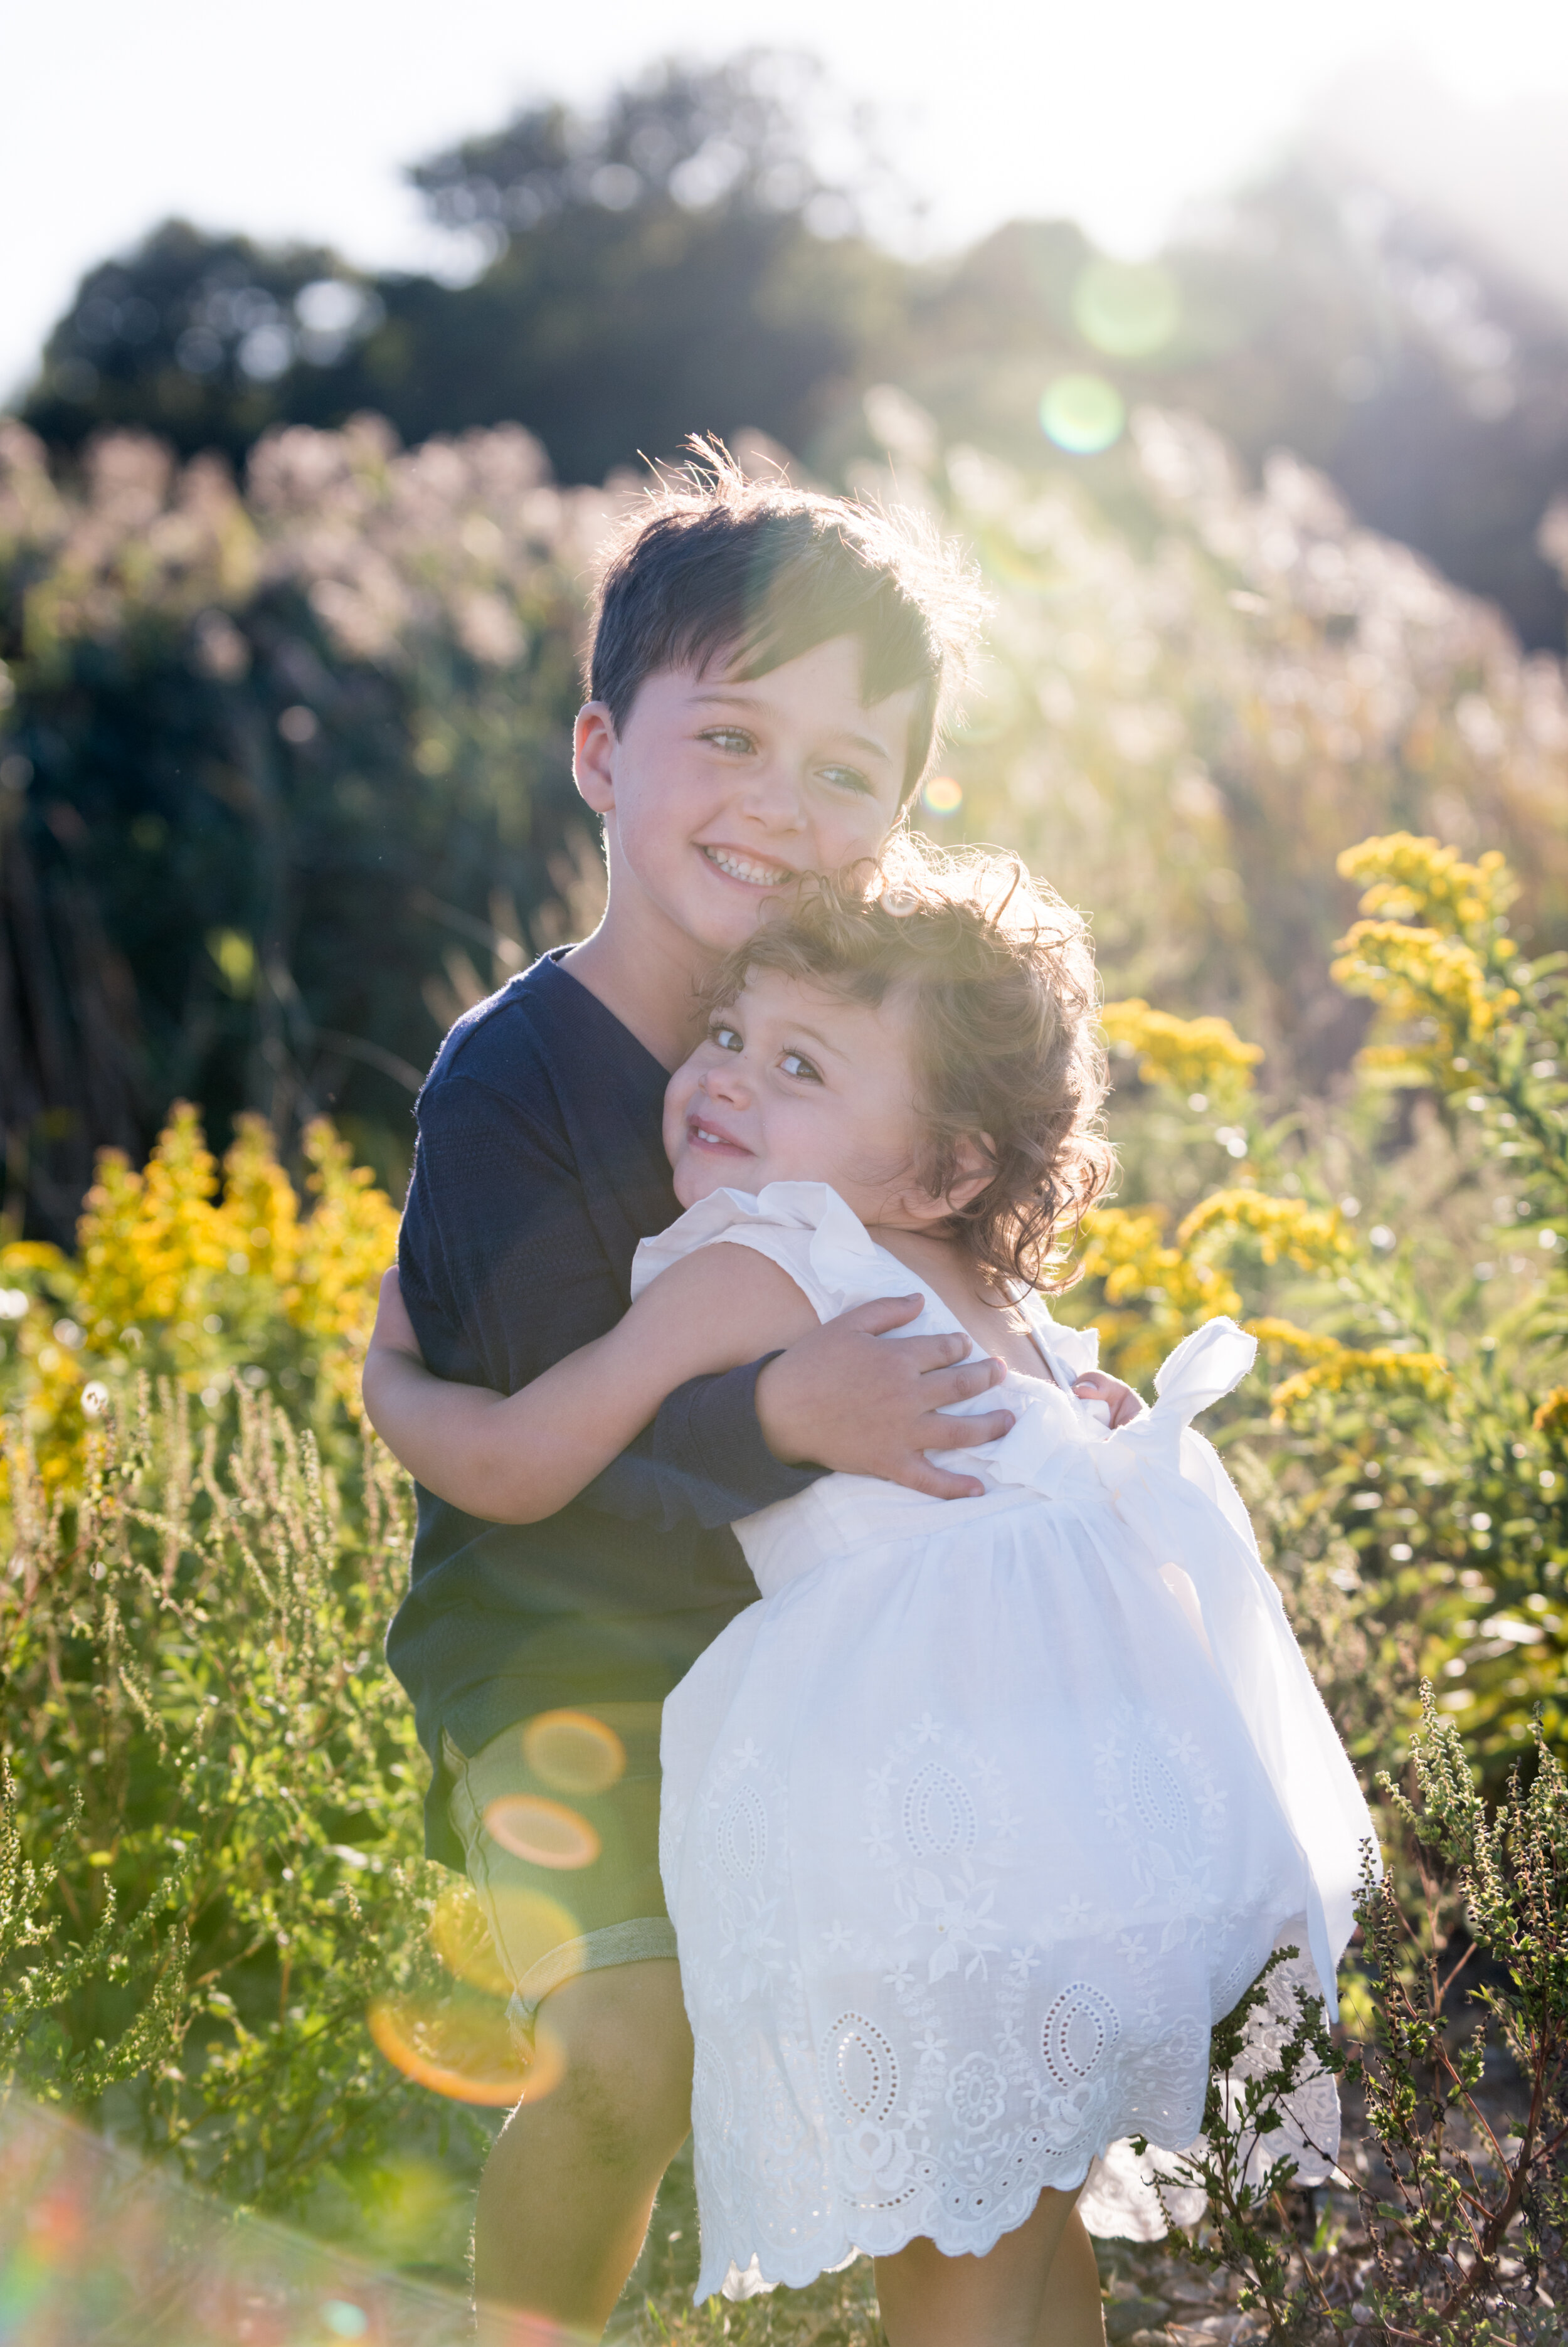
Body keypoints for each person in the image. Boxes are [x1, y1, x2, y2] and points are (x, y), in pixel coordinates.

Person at [366, 845, 1377, 2347]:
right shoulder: (873, 1282)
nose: (723, 1077)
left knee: (980, 2228)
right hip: (1032, 1847)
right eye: (728, 1034)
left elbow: (528, 1454)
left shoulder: (832, 1279)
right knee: (1008, 2224)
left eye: (797, 1063)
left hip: (938, 1844)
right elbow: (527, 1461)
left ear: (945, 1170)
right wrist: (397, 1371)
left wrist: (392, 1372)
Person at [383, 453, 1066, 2344]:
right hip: (562, 1652)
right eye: (734, 733)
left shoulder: (859, 1031)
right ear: (602, 750)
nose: (781, 803)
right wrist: (784, 1417)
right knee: (629, 2040)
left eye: (846, 771)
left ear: (903, 818)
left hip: (818, 1640)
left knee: (991, 2079)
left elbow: (938, 1254)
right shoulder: (510, 1084)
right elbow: (536, 1451)